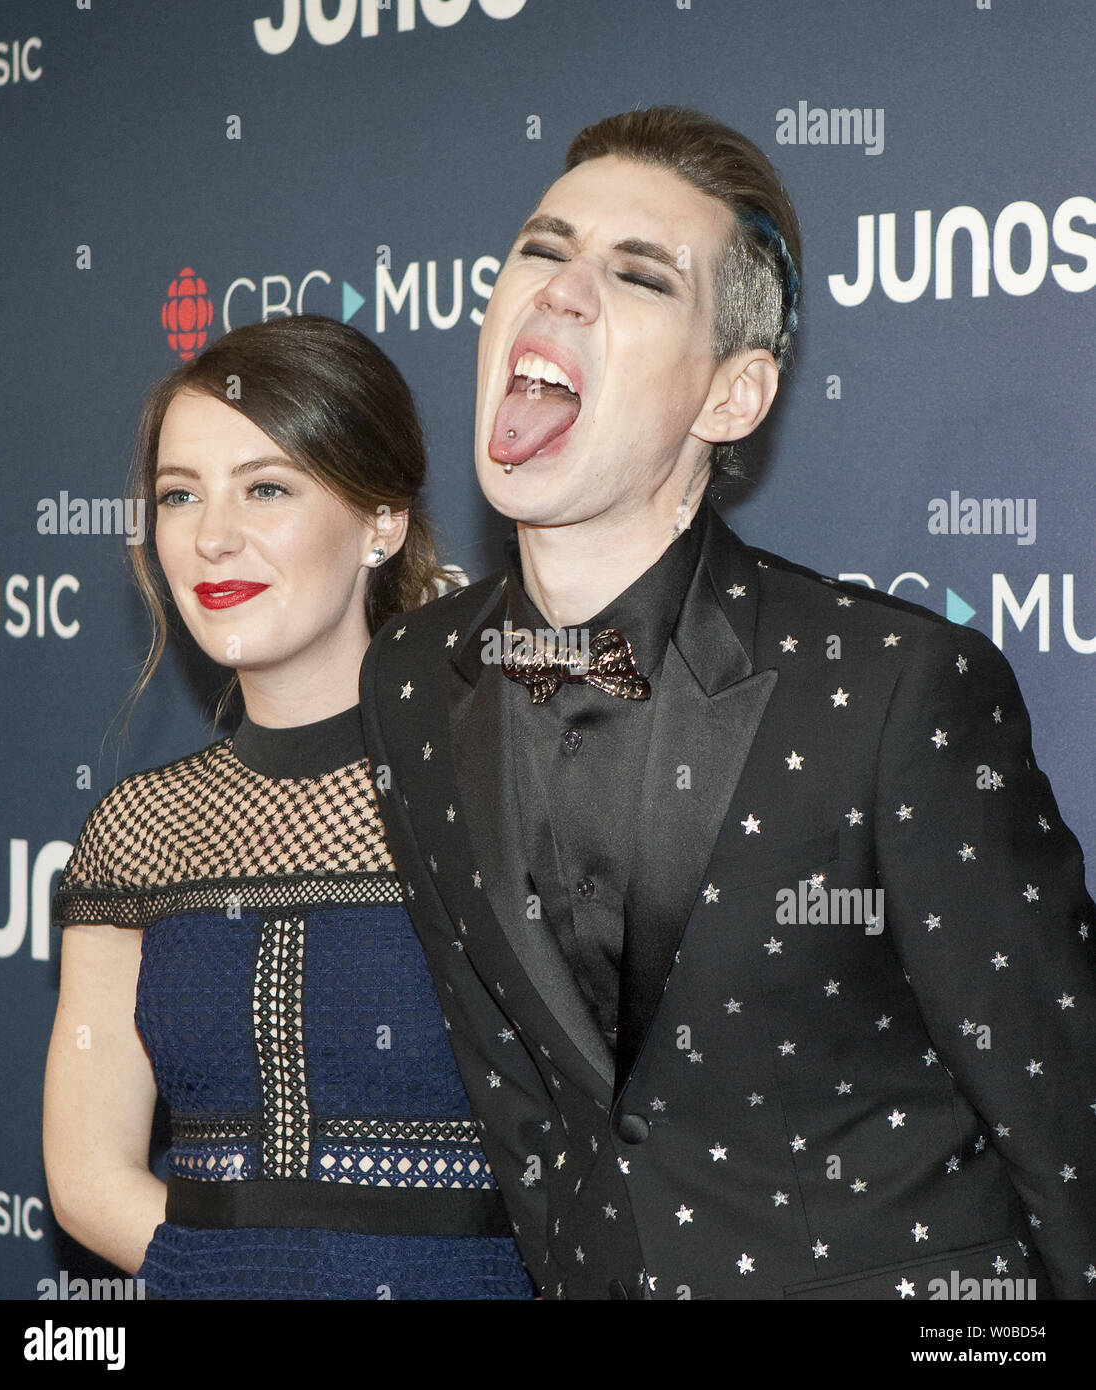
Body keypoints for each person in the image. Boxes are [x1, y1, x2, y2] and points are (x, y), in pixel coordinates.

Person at [361, 107, 1096, 1300]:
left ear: (734, 396)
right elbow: (517, 1101)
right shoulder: (410, 676)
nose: (561, 292)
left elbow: (1065, 1117)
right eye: (543, 250)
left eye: (638, 276)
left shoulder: (890, 689)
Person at [44, 315, 535, 1300]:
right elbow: (88, 1175)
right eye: (179, 495)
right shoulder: (141, 829)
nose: (212, 537)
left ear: (382, 521)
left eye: (266, 487)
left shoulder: (515, 791)